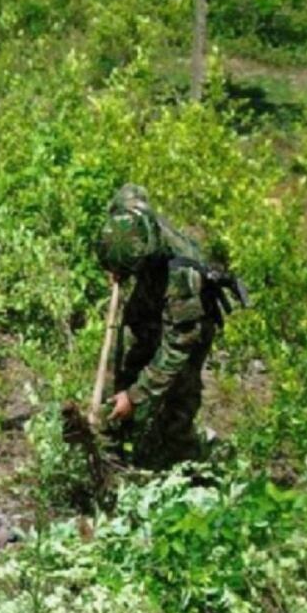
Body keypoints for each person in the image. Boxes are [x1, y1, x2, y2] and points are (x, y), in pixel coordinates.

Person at [97, 184, 238, 469]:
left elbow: (177, 347)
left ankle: (185, 460)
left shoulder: (182, 279)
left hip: (192, 319)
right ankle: (114, 435)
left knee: (178, 390)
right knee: (131, 352)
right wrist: (118, 266)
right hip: (152, 282)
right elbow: (130, 190)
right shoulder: (130, 212)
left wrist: (136, 396)